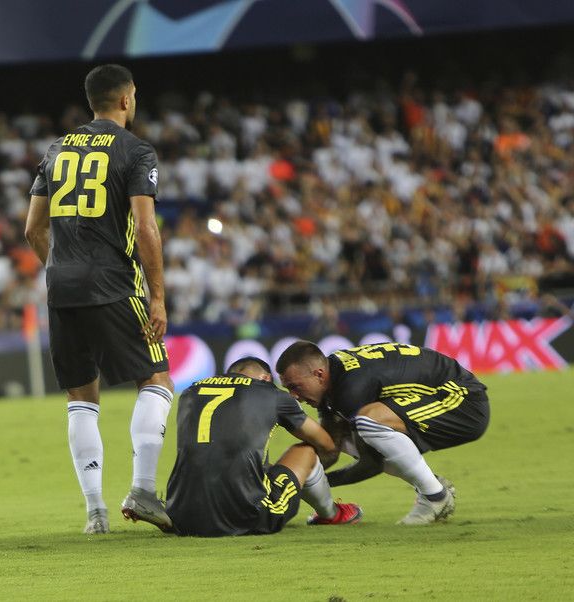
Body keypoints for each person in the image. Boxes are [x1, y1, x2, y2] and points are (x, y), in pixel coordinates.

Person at [26, 64, 174, 534]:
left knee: (80, 396)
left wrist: (63, 269)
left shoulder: (56, 149)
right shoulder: (136, 150)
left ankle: (96, 512)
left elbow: (32, 229)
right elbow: (145, 227)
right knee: (156, 380)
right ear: (127, 99)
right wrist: (157, 296)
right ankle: (143, 490)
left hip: (61, 287)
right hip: (112, 283)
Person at [128, 357, 362, 536]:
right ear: (266, 378)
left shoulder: (191, 391)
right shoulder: (270, 393)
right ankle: (331, 513)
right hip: (248, 516)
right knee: (306, 450)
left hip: (181, 516)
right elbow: (325, 443)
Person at [276, 341, 490, 524]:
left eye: (295, 386)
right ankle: (432, 486)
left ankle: (435, 496)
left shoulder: (351, 388)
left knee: (368, 423)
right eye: (288, 389)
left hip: (463, 401)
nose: (293, 396)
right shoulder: (333, 381)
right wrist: (289, 481)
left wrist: (315, 484)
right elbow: (329, 448)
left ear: (319, 374)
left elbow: (372, 464)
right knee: (355, 433)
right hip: (436, 397)